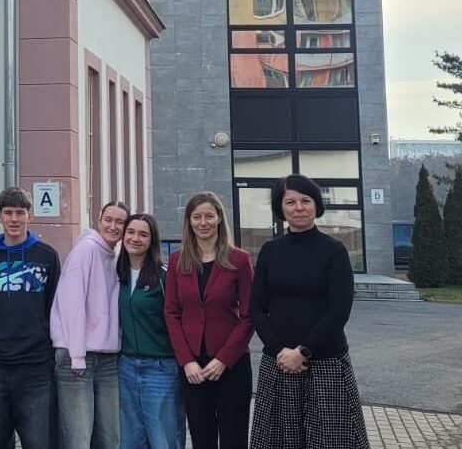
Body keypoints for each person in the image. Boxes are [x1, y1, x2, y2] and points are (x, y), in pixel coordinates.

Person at [249, 175, 369, 449]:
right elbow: (256, 307)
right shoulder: (270, 251)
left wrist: (302, 352)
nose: (298, 207)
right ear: (281, 208)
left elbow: (338, 312)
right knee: (278, 441)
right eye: (290, 202)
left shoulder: (334, 251)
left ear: (316, 205)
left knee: (330, 440)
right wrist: (280, 351)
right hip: (278, 363)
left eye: (305, 200)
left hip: (325, 363)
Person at [164, 191, 254, 449]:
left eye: (209, 216)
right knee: (202, 438)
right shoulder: (177, 261)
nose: (203, 222)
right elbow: (171, 313)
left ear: (219, 219)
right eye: (196, 217)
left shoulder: (239, 260)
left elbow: (249, 316)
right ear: (189, 221)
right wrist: (186, 361)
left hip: (231, 365)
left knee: (233, 439)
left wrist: (223, 360)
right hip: (193, 368)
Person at [0, 186, 60, 449]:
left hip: (35, 365)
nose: (14, 219)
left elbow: (54, 306)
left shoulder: (46, 256)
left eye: (20, 213)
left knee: (39, 441)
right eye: (8, 213)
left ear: (29, 216)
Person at [51, 200, 129, 449]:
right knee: (78, 439)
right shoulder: (85, 251)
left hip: (107, 359)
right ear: (99, 220)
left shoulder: (116, 257)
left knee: (110, 438)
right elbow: (70, 305)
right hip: (77, 358)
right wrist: (76, 356)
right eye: (109, 219)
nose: (113, 226)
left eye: (120, 221)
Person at [116, 214, 183, 449]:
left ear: (152, 240)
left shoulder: (164, 276)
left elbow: (178, 320)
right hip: (126, 367)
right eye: (131, 232)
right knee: (130, 440)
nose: (135, 238)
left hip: (161, 368)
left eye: (143, 234)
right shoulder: (118, 274)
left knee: (162, 439)